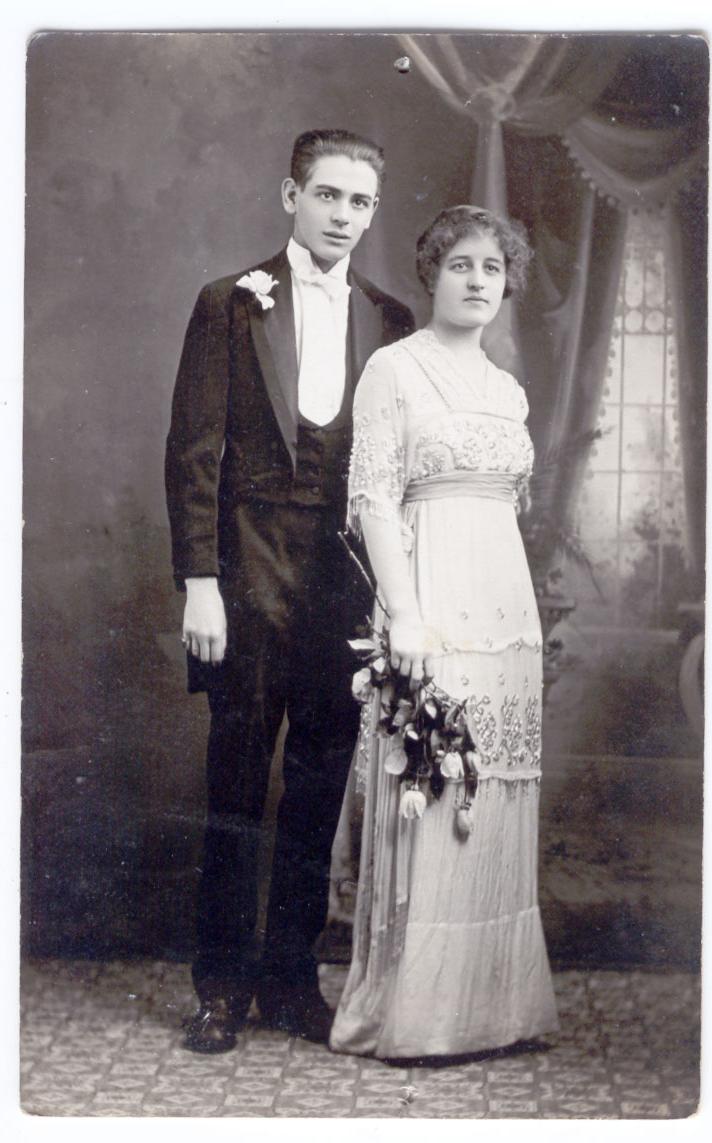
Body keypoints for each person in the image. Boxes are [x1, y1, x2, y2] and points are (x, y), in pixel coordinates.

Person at [165, 128, 414, 1053]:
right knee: (235, 788)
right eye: (328, 196)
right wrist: (199, 583)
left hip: (338, 590)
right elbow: (193, 453)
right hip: (242, 580)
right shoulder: (230, 303)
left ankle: (289, 983)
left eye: (359, 202)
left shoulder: (390, 318)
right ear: (290, 196)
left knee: (315, 794)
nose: (342, 216)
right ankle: (220, 987)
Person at [329, 205, 559, 1059]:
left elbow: (504, 510)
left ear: (507, 284)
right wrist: (406, 610)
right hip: (428, 596)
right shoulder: (393, 369)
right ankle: (416, 1011)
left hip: (504, 603)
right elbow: (373, 500)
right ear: (432, 273)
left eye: (491, 269)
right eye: (459, 264)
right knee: (429, 787)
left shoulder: (507, 389)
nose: (475, 281)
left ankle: (494, 1006)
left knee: (491, 793)